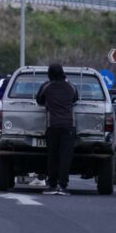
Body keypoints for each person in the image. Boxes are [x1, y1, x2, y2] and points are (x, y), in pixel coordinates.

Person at [36, 63, 79, 195]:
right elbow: (76, 99)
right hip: (68, 126)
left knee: (52, 156)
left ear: (49, 74)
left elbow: (39, 100)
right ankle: (63, 186)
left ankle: (52, 185)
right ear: (63, 73)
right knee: (65, 157)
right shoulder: (71, 86)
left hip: (52, 125)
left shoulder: (46, 86)